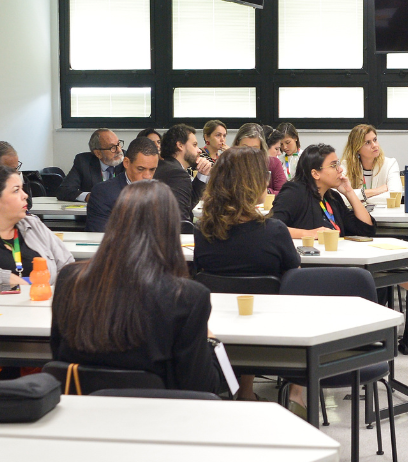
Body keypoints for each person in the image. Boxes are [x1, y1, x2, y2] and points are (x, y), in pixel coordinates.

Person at [51, 181, 222, 394]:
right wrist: (210, 341)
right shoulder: (188, 297)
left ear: (115, 221)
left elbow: (58, 357)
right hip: (163, 420)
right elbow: (203, 387)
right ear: (170, 228)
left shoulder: (70, 280)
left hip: (83, 416)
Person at [272, 144, 408, 315]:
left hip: (338, 259)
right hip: (311, 266)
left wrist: (349, 192)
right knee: (377, 270)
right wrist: (309, 234)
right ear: (315, 173)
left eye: (338, 164)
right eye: (333, 166)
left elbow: (366, 228)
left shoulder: (331, 197)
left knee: (383, 262)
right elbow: (272, 227)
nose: (340, 170)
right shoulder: (294, 192)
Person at [194, 148, 300, 404]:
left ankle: (243, 388)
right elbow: (294, 277)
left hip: (215, 329)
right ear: (253, 183)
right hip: (272, 333)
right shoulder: (274, 230)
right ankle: (294, 397)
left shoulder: (203, 231)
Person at [85, 137, 160, 233]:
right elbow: (100, 237)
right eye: (140, 169)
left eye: (152, 169)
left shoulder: (161, 193)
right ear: (126, 163)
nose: (147, 176)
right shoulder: (104, 193)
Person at [154, 124, 212, 224]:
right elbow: (182, 220)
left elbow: (187, 203)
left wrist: (202, 175)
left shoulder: (165, 167)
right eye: (194, 145)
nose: (199, 150)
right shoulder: (177, 174)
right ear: (180, 145)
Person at [57, 129, 124, 202]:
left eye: (118, 144)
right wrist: (89, 196)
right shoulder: (84, 162)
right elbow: (63, 191)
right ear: (98, 153)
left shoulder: (129, 160)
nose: (119, 150)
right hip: (94, 211)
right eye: (112, 147)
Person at [341, 124, 402, 204]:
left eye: (375, 140)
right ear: (357, 148)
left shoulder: (390, 164)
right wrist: (375, 191)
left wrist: (361, 199)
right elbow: (340, 196)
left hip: (383, 214)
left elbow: (396, 196)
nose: (374, 145)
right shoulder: (346, 165)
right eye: (367, 143)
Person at [231, 124, 286, 194]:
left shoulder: (273, 163)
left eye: (254, 148)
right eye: (245, 147)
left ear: (261, 148)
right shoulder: (228, 163)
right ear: (237, 144)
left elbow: (284, 193)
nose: (249, 152)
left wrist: (266, 192)